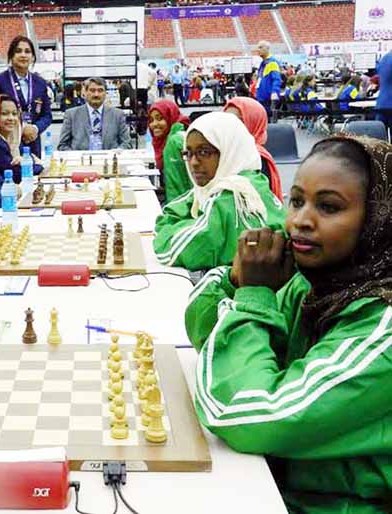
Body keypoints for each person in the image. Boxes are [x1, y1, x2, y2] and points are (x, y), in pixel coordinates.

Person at [185, 134, 392, 514]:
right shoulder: (313, 281)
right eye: (296, 201)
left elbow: (247, 414)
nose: (299, 221)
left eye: (328, 207)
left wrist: (254, 296)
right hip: (271, 486)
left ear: (379, 217)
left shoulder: (383, 327)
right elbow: (203, 334)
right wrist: (237, 279)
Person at [153, 112, 284, 270]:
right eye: (188, 153)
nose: (193, 163)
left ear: (229, 149)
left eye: (204, 152)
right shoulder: (251, 179)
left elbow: (171, 248)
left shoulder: (231, 195)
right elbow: (172, 212)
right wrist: (192, 224)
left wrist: (180, 228)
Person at [0, 36, 52, 158]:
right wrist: (21, 128)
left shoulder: (40, 83)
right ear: (11, 56)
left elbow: (47, 115)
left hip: (33, 141)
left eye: (27, 51)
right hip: (7, 142)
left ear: (32, 57)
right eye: (18, 51)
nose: (23, 55)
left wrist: (35, 128)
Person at [223, 97, 283, 200]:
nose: (229, 126)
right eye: (225, 120)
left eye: (238, 121)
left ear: (254, 122)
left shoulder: (257, 158)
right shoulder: (221, 151)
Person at [58, 77, 132, 152]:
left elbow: (127, 143)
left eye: (100, 90)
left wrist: (118, 152)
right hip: (81, 162)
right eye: (92, 90)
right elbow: (62, 145)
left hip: (109, 161)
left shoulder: (118, 115)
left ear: (105, 93)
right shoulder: (71, 115)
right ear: (85, 92)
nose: (96, 94)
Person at [0, 94, 43, 183]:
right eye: (4, 114)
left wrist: (27, 162)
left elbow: (27, 158)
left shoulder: (14, 139)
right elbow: (17, 175)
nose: (11, 118)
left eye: (14, 114)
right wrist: (37, 165)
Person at [147, 99, 191, 203]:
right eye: (151, 120)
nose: (154, 124)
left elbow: (176, 188)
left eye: (160, 118)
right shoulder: (177, 136)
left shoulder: (174, 143)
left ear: (170, 117)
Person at [256, 41, 282, 117]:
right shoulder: (263, 63)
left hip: (268, 99)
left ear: (267, 48)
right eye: (258, 48)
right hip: (261, 98)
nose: (258, 50)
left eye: (260, 47)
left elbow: (277, 79)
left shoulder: (272, 62)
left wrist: (274, 92)